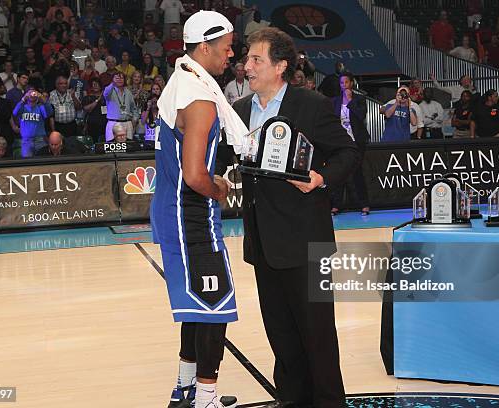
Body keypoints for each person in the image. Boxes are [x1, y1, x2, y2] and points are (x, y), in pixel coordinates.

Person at [231, 27, 358, 408]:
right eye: (246, 59)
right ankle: (291, 400)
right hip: (263, 242)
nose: (246, 66)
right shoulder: (238, 112)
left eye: (256, 59)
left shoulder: (311, 104)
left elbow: (348, 153)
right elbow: (225, 162)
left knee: (317, 334)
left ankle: (329, 402)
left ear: (281, 66)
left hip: (306, 241)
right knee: (281, 335)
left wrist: (320, 179)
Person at [153, 10, 244, 408]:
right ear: (204, 47)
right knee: (215, 307)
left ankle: (185, 388)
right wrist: (219, 188)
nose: (231, 54)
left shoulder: (180, 81)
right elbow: (194, 175)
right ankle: (206, 399)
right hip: (190, 217)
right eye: (226, 47)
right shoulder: (200, 98)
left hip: (172, 213)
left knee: (195, 307)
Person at [331, 71, 370, 216]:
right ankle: (336, 205)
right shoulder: (334, 101)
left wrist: (350, 101)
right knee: (339, 173)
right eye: (342, 83)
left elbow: (361, 116)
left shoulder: (359, 99)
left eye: (346, 82)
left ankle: (364, 204)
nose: (344, 85)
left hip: (357, 141)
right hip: (341, 142)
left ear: (351, 83)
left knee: (357, 173)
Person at [12, 88, 51, 157]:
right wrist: (23, 99)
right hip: (26, 140)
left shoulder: (40, 107)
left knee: (42, 162)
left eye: (34, 93)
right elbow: (15, 112)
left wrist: (42, 98)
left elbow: (49, 112)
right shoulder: (23, 107)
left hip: (40, 139)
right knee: (27, 164)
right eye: (30, 93)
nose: (32, 94)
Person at [103, 72, 137, 141]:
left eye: (121, 78)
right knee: (112, 148)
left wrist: (135, 119)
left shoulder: (128, 92)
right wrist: (113, 83)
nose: (119, 80)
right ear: (112, 80)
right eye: (117, 78)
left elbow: (133, 108)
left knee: (128, 147)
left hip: (127, 123)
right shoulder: (109, 91)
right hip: (113, 123)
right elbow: (105, 93)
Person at [82, 77, 107, 143]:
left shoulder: (106, 98)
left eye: (97, 84)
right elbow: (87, 109)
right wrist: (97, 100)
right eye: (93, 84)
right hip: (92, 125)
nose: (95, 85)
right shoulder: (88, 97)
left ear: (100, 86)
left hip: (105, 125)